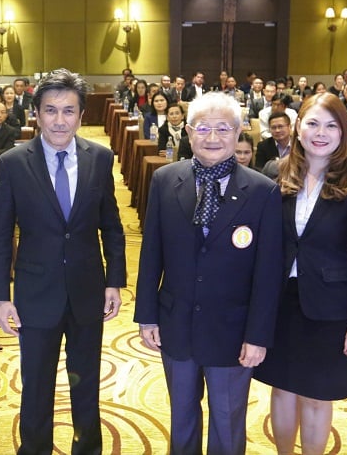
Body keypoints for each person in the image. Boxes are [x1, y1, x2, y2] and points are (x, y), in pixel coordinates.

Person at [135, 91, 284, 455]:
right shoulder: (165, 180)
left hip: (233, 331)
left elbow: (269, 273)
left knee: (228, 419)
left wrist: (258, 335)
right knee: (181, 416)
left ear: (238, 133)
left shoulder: (262, 191)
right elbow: (151, 252)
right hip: (177, 323)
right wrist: (146, 316)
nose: (213, 138)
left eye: (223, 129)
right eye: (203, 128)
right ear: (188, 132)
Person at [0, 68, 126, 455]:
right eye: (51, 110)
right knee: (36, 385)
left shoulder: (99, 157)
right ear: (37, 112)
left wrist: (114, 281)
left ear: (82, 115)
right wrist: (0, 295)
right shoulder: (14, 162)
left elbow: (112, 226)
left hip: (87, 291)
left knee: (86, 383)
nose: (60, 120)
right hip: (36, 292)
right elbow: (2, 236)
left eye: (69, 111)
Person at [254, 92, 347, 455]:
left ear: (344, 131)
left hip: (329, 308)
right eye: (312, 123)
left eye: (330, 125)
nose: (320, 133)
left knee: (315, 396)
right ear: (298, 128)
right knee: (282, 390)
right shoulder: (274, 174)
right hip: (280, 303)